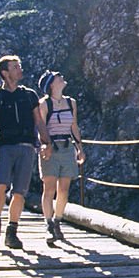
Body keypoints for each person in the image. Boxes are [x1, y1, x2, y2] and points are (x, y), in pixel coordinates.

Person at [0, 55, 52, 249]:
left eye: (19, 66)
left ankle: (12, 231)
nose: (20, 69)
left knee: (19, 191)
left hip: (27, 146)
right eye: (15, 67)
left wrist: (47, 142)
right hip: (6, 146)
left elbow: (39, 121)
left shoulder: (29, 95)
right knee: (0, 184)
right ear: (5, 73)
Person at [36, 70, 85, 242]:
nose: (62, 77)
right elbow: (40, 128)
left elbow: (74, 127)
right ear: (52, 84)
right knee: (49, 188)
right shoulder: (44, 104)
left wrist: (80, 148)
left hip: (66, 148)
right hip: (50, 149)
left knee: (63, 189)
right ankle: (49, 224)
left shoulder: (71, 103)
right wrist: (44, 145)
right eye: (58, 77)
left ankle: (58, 221)